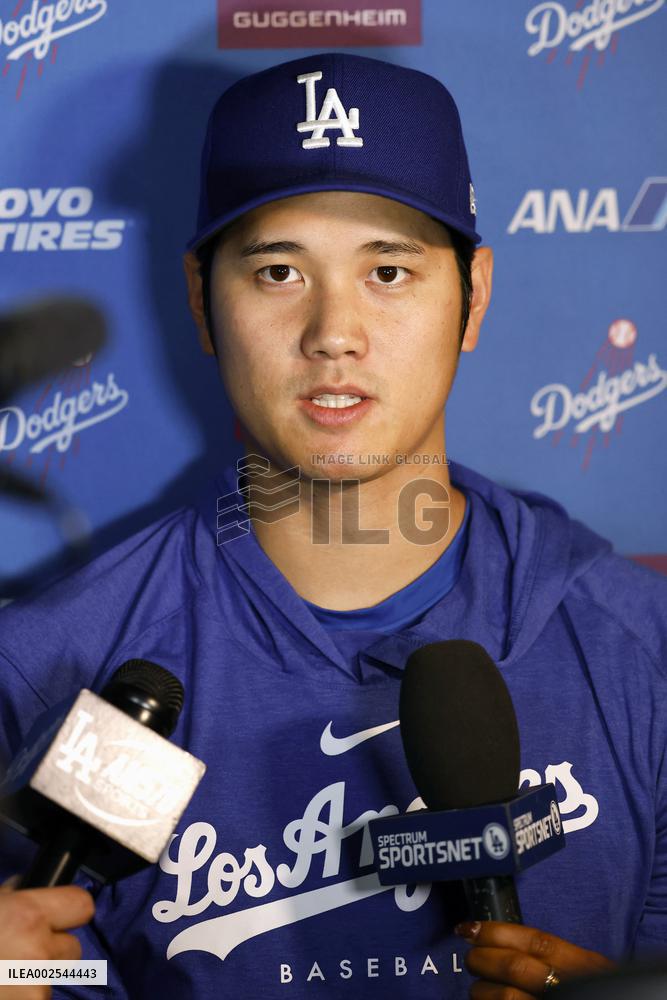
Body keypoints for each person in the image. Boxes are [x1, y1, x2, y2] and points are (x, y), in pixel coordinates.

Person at [0, 51, 665, 998]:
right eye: (278, 271)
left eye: (388, 270)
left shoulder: (642, 652)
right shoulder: (49, 674)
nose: (334, 333)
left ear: (473, 294)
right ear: (200, 299)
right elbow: (30, 962)